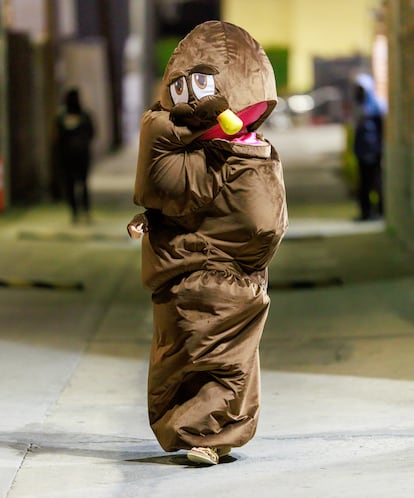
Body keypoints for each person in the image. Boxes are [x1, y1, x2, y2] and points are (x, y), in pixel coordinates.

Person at [128, 21, 288, 465]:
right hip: (187, 279)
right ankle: (201, 431)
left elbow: (257, 225)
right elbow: (172, 195)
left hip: (224, 279)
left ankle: (209, 434)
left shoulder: (245, 155)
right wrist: (152, 219)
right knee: (187, 350)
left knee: (219, 353)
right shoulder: (195, 153)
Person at [56, 88, 95, 223]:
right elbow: (92, 133)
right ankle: (85, 211)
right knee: (83, 183)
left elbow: (58, 138)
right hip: (82, 155)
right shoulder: (85, 116)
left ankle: (75, 213)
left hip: (67, 156)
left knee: (70, 184)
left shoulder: (62, 117)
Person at [352, 73, 386, 221]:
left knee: (377, 182)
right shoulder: (359, 106)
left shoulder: (377, 106)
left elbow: (382, 129)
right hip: (362, 151)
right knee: (364, 183)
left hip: (374, 150)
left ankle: (380, 211)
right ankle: (366, 212)